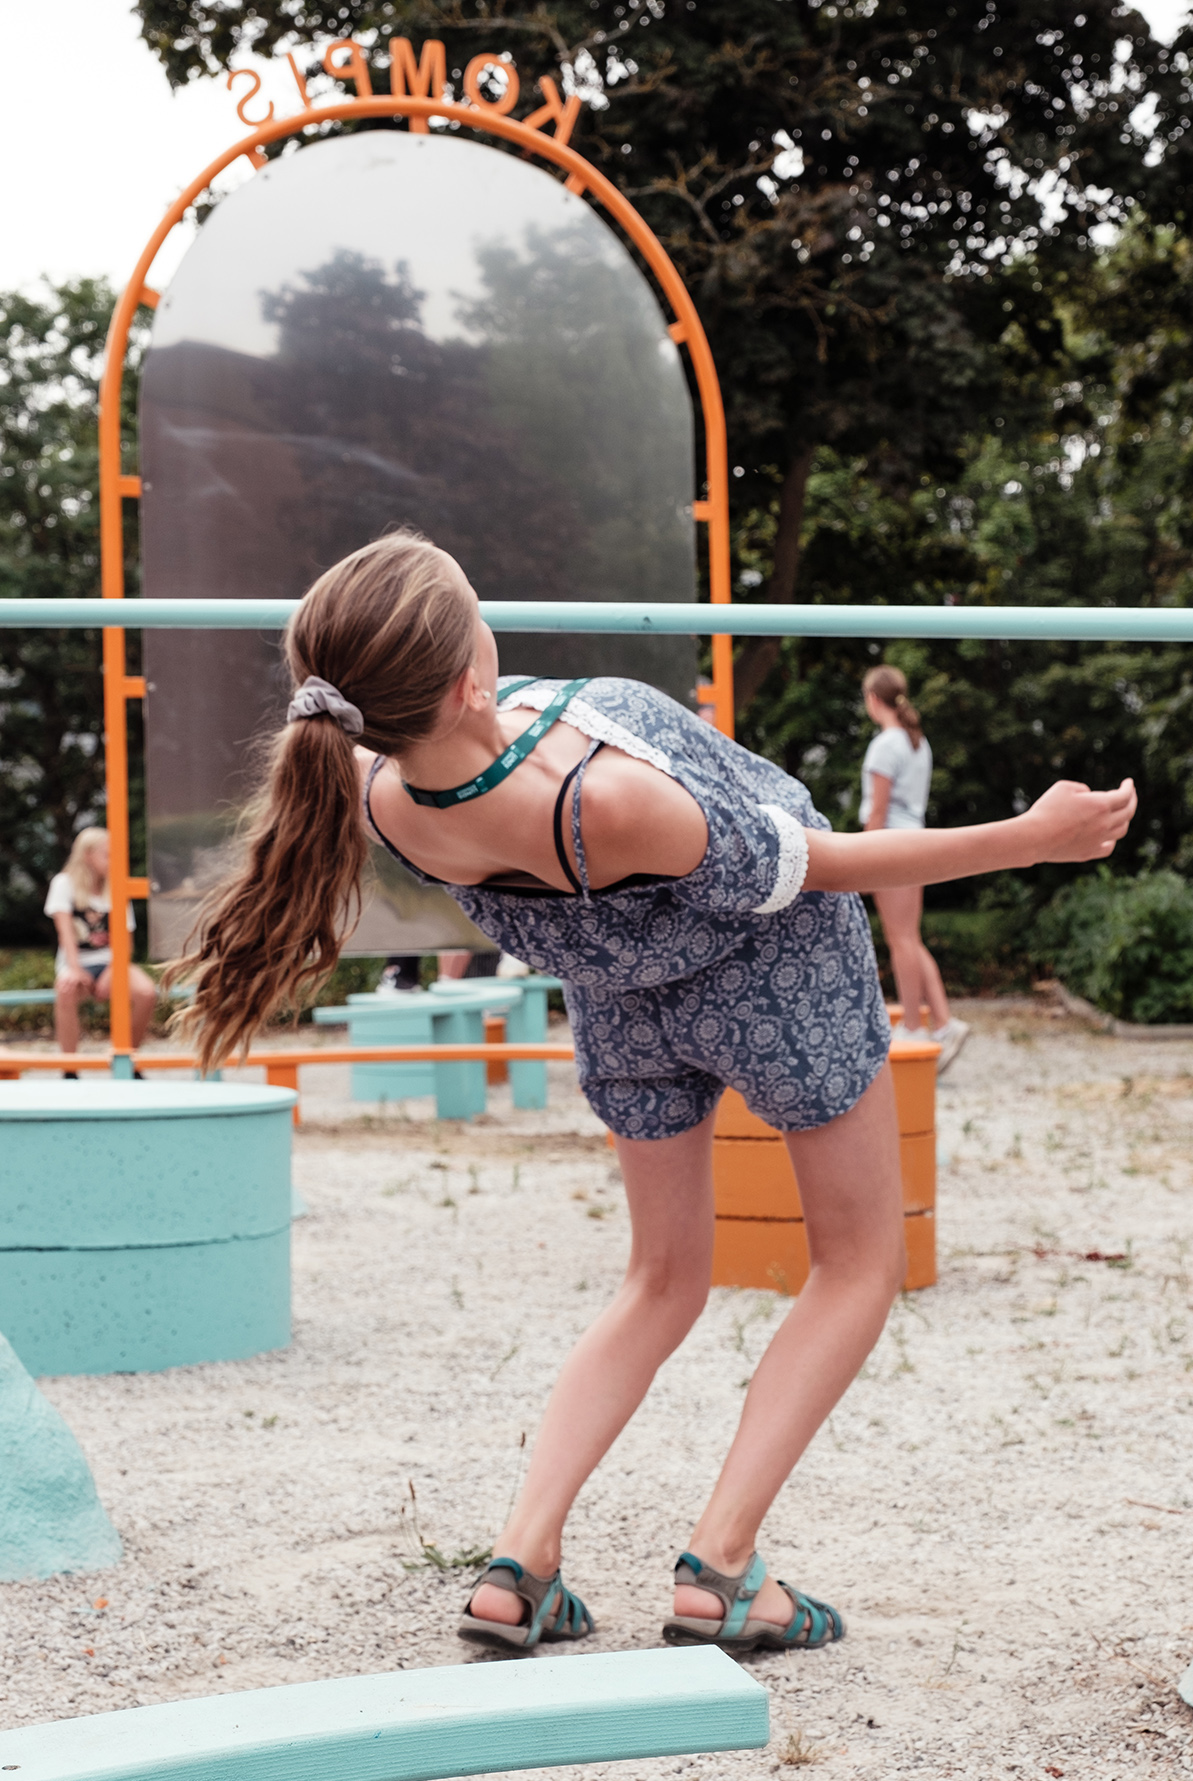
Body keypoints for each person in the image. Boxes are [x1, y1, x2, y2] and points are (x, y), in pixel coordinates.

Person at [171, 532, 1136, 1654]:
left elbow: (455, 741)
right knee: (858, 1262)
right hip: (778, 982)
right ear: (466, 678)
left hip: (621, 1002)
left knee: (660, 1278)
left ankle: (519, 1563)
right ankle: (722, 1568)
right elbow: (812, 867)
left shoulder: (375, 784)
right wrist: (1030, 838)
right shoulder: (608, 800)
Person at [860, 664, 969, 1070]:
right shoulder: (915, 742)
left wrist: (863, 859)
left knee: (900, 939)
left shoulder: (885, 745)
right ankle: (942, 1022)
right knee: (910, 937)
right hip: (914, 841)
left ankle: (911, 1024)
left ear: (873, 700)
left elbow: (878, 810)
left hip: (891, 845)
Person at [45, 827, 156, 1074]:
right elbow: (65, 934)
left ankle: (128, 1059)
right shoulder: (64, 884)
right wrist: (74, 970)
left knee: (146, 993)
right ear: (87, 856)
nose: (114, 860)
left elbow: (126, 942)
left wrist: (113, 971)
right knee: (65, 990)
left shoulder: (117, 886)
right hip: (76, 962)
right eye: (108, 854)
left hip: (110, 962)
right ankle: (70, 1068)